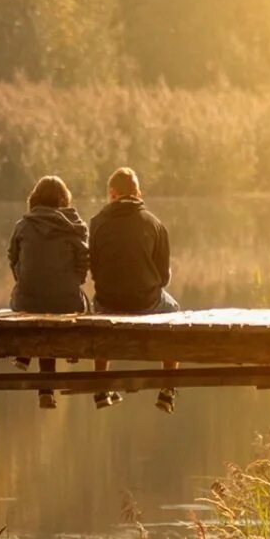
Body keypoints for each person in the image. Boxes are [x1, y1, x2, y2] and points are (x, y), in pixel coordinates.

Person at [89, 167, 182, 413]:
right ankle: (168, 389)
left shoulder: (96, 223)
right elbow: (163, 278)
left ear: (112, 193)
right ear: (138, 193)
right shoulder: (155, 224)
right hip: (147, 301)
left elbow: (95, 272)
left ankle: (100, 387)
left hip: (108, 300)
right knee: (173, 310)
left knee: (99, 310)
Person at [7, 175, 89, 409]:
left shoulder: (23, 225)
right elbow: (84, 261)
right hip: (66, 301)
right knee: (74, 304)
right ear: (64, 200)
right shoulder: (74, 226)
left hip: (26, 300)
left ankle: (28, 358)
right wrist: (74, 281)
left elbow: (12, 258)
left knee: (40, 305)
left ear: (35, 198)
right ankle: (59, 366)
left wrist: (24, 280)